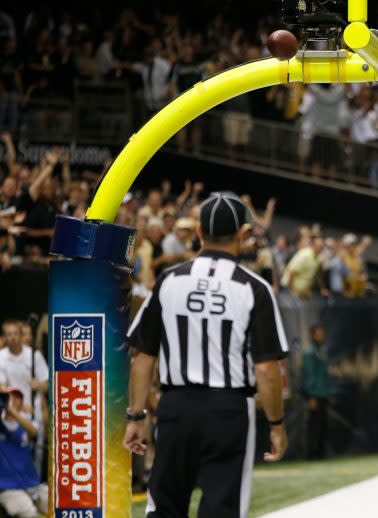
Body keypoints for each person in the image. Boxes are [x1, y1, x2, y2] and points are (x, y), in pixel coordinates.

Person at [123, 192, 288, 517]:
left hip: (175, 408)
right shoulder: (254, 288)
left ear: (199, 232)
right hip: (227, 410)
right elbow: (267, 369)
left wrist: (136, 416)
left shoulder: (169, 280)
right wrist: (277, 424)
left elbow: (142, 357)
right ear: (242, 234)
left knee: (165, 508)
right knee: (220, 508)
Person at [0, 387, 47, 517]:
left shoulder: (28, 422)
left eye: (18, 397)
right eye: (11, 397)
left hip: (31, 482)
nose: (14, 400)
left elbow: (34, 431)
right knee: (29, 512)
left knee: (57, 503)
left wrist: (13, 412)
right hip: (6, 486)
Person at [301, 324, 332, 460]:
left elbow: (325, 375)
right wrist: (311, 396)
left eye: (322, 333)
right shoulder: (309, 352)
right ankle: (312, 454)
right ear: (313, 335)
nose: (321, 335)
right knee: (314, 427)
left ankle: (321, 453)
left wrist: (328, 392)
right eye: (318, 333)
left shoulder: (323, 352)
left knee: (323, 426)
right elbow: (309, 375)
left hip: (323, 394)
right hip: (314, 395)